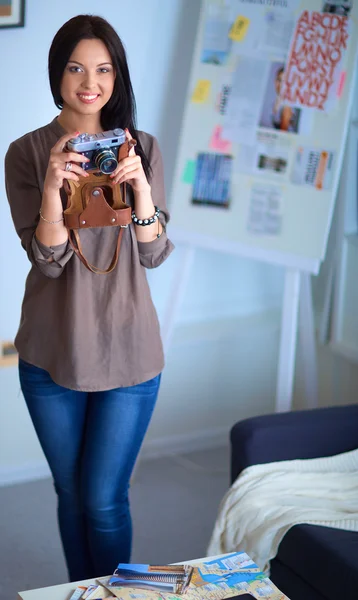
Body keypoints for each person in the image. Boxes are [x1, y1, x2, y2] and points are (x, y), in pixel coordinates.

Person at [5, 14, 174, 581]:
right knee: (70, 491)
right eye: (76, 67)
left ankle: (117, 596)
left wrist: (141, 186)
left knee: (103, 500)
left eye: (103, 69)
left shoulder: (141, 146)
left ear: (116, 76)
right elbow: (47, 261)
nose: (89, 81)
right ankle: (85, 593)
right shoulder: (26, 153)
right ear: (58, 75)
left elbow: (153, 253)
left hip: (129, 352)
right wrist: (54, 186)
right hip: (52, 353)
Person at [271, 67, 300, 133]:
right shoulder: (276, 102)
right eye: (279, 80)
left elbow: (283, 131)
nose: (281, 85)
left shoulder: (288, 105)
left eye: (284, 82)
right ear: (275, 81)